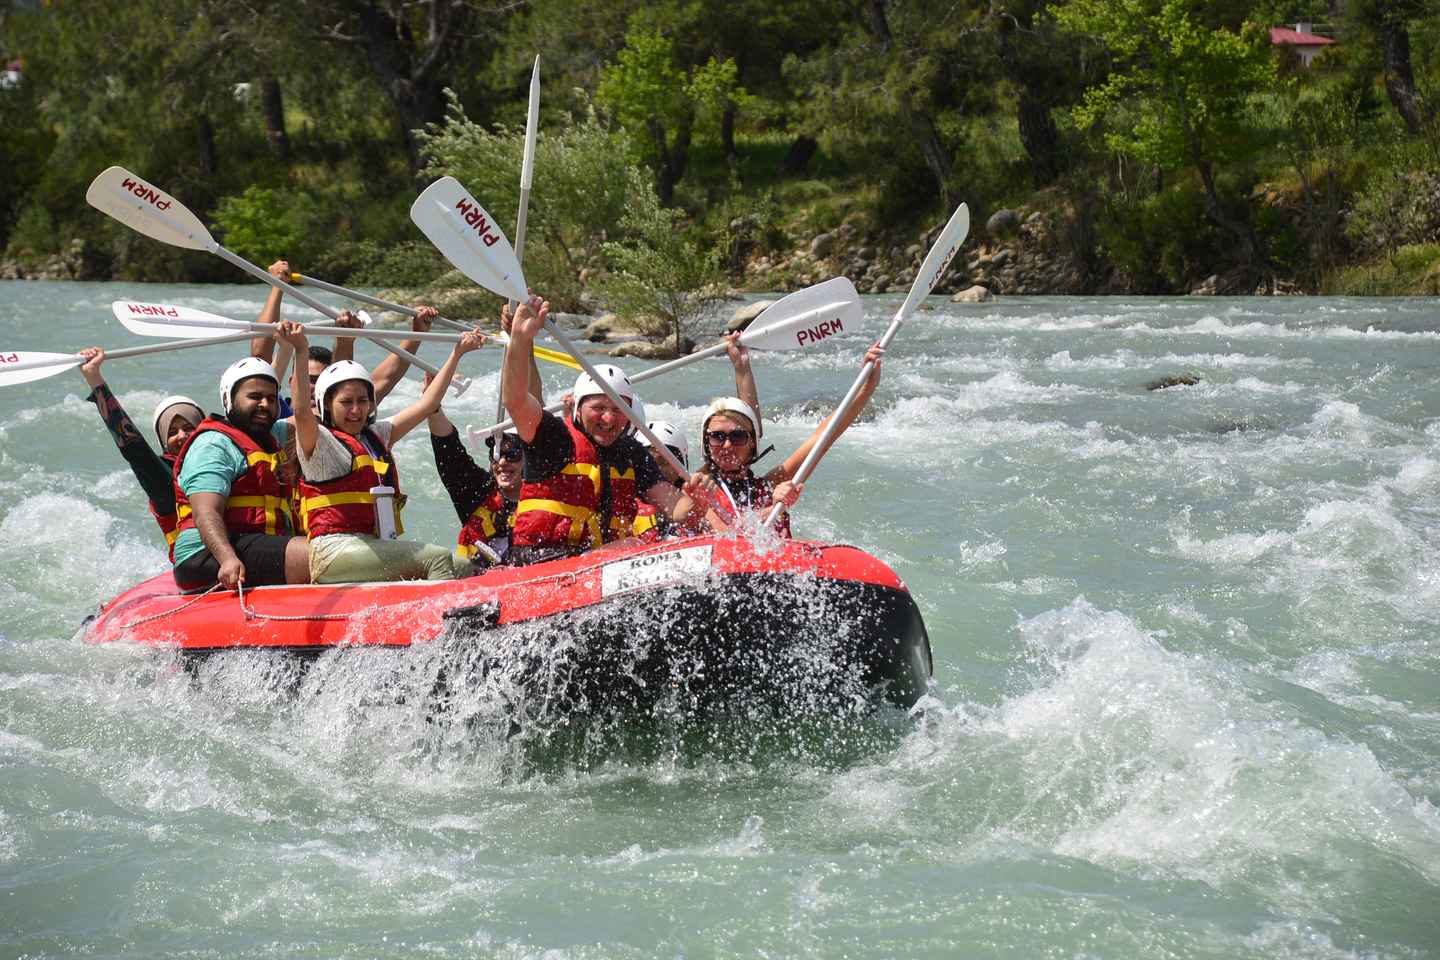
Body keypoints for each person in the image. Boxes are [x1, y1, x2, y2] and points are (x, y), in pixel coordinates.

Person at [501, 294, 716, 564]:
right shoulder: (553, 436)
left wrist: (698, 499)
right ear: (578, 409)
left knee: (642, 546)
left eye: (618, 409)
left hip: (595, 567)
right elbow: (516, 400)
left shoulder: (633, 453)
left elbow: (677, 509)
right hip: (538, 563)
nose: (609, 418)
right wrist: (520, 340)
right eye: (599, 408)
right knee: (633, 545)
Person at [279, 319, 485, 583]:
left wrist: (458, 353)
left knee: (462, 566)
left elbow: (427, 403)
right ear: (327, 405)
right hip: (333, 551)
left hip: (371, 546)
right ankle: (444, 622)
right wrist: (300, 349)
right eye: (346, 402)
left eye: (363, 401)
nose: (356, 410)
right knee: (435, 557)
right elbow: (301, 412)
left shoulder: (375, 436)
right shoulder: (319, 441)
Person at [673, 342, 886, 536]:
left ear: (752, 444)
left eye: (738, 436)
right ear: (706, 443)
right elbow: (724, 534)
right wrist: (771, 509)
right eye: (717, 437)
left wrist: (867, 387)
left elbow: (823, 437)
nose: (727, 445)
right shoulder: (698, 486)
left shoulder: (770, 485)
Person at [171, 357, 308, 590]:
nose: (264, 404)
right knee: (324, 556)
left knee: (329, 546)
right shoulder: (213, 445)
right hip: (207, 554)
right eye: (254, 397)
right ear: (229, 400)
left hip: (257, 543)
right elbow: (205, 511)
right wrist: (226, 558)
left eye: (271, 398)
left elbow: (314, 416)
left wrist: (301, 349)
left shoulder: (274, 435)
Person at [427, 301, 545, 564]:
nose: (502, 461)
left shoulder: (546, 489)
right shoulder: (476, 491)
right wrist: (432, 405)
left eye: (512, 453)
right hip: (480, 586)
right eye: (496, 454)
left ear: (529, 455)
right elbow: (447, 447)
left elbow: (534, 406)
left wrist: (523, 343)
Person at [76, 347, 202, 560]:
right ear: (163, 441)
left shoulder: (225, 457)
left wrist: (280, 351)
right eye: (172, 432)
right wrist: (95, 380)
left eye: (189, 427)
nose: (182, 436)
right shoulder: (164, 479)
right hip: (198, 562)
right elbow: (134, 448)